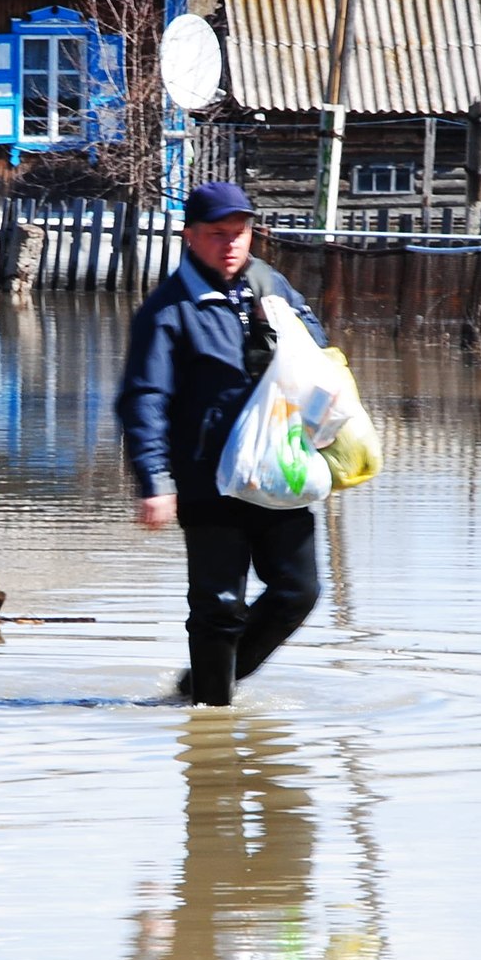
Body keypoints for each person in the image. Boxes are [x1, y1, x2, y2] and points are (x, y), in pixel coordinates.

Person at [115, 181, 327, 706]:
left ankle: (200, 687)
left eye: (240, 233)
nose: (231, 244)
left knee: (298, 592)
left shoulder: (272, 285)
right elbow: (143, 400)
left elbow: (318, 354)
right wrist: (155, 482)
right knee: (219, 604)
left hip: (278, 469)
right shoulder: (168, 310)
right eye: (217, 234)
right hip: (207, 477)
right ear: (189, 236)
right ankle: (210, 720)